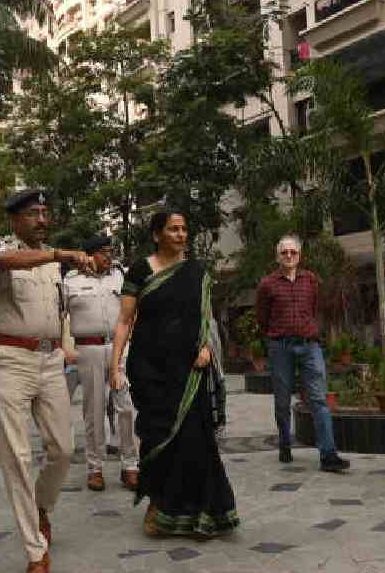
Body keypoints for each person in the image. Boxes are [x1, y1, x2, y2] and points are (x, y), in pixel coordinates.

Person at [0, 188, 94, 573]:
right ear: (15, 218)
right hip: (10, 361)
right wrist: (59, 254)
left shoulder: (52, 265)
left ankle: (42, 505)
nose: (42, 220)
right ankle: (35, 550)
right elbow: (6, 261)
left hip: (49, 361)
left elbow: (60, 312)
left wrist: (65, 347)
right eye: (33, 213)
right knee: (17, 457)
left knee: (63, 448)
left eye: (45, 213)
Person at [109, 211, 238, 538]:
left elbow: (206, 318)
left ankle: (199, 511)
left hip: (189, 368)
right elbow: (125, 321)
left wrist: (207, 349)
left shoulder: (196, 271)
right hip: (149, 368)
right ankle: (159, 505)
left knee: (195, 439)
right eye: (173, 229)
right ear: (157, 234)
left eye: (184, 229)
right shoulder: (140, 270)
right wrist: (114, 366)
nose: (180, 235)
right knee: (156, 436)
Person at [255, 234, 350, 472]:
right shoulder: (267, 284)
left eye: (293, 252)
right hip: (280, 347)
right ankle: (285, 442)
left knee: (318, 399)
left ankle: (328, 455)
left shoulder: (311, 280)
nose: (289, 256)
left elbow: (314, 308)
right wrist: (275, 337)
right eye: (284, 252)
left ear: (300, 255)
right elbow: (262, 318)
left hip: (309, 345)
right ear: (277, 256)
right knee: (282, 400)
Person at [65, 235, 138, 492]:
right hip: (88, 349)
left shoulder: (120, 276)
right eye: (104, 252)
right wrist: (64, 348)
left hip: (118, 348)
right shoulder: (70, 281)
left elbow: (133, 311)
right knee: (94, 410)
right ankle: (95, 468)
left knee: (126, 407)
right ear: (90, 254)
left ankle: (130, 465)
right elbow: (59, 316)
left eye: (111, 252)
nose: (109, 256)